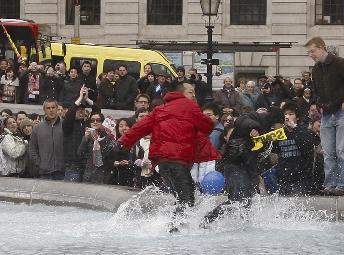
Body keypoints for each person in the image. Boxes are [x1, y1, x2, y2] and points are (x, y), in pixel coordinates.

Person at [117, 82, 218, 232]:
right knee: (187, 199)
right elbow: (208, 126)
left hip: (162, 162)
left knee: (182, 196)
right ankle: (174, 231)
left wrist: (122, 142)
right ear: (182, 93)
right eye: (191, 92)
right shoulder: (190, 107)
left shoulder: (159, 109)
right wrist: (196, 108)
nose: (194, 95)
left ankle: (174, 227)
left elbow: (139, 127)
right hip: (178, 160)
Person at [201, 107, 283, 226]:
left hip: (248, 167)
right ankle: (208, 220)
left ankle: (241, 225)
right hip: (234, 163)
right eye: (281, 123)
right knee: (237, 199)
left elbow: (256, 154)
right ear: (277, 121)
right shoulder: (258, 119)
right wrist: (255, 128)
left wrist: (255, 175)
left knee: (248, 200)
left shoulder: (270, 132)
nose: (282, 127)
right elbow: (242, 120)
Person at [305, 36, 344, 196]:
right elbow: (315, 90)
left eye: (313, 51)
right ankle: (330, 184)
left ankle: (342, 185)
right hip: (327, 113)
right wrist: (319, 104)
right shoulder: (316, 69)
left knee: (342, 150)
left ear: (322, 48)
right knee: (328, 151)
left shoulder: (340, 63)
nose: (311, 54)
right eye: (309, 52)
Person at [274, 102, 320, 195]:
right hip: (284, 179)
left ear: (297, 117)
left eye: (291, 114)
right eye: (285, 114)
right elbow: (275, 151)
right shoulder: (280, 133)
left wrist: (295, 128)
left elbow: (307, 146)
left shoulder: (305, 131)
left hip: (301, 179)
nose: (288, 117)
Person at [62, 86, 99, 182]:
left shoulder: (87, 124)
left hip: (87, 165)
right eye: (78, 110)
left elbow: (97, 110)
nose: (81, 112)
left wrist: (86, 98)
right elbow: (69, 115)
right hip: (73, 166)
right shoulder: (68, 124)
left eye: (83, 109)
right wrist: (79, 98)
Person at [28, 99, 65, 180]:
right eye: (48, 108)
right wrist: (40, 164)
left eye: (53, 107)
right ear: (44, 110)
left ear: (57, 108)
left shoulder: (65, 125)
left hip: (62, 171)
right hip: (44, 173)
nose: (51, 110)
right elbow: (32, 149)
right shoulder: (37, 128)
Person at [78, 112, 116, 184]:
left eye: (98, 120)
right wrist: (85, 139)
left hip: (103, 175)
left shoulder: (108, 137)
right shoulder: (87, 137)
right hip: (89, 175)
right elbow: (80, 153)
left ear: (102, 122)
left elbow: (109, 155)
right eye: (92, 120)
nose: (95, 122)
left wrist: (100, 140)